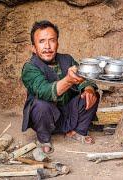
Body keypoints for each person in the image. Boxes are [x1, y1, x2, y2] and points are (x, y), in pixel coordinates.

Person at [21, 20, 99, 153]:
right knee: (40, 105)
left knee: (92, 95)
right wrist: (68, 80)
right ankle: (44, 139)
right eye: (41, 41)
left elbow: (87, 79)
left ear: (57, 43)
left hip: (67, 112)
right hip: (45, 116)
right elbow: (45, 91)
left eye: (52, 40)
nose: (47, 46)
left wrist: (88, 89)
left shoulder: (67, 59)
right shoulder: (30, 67)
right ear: (33, 48)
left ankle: (76, 131)